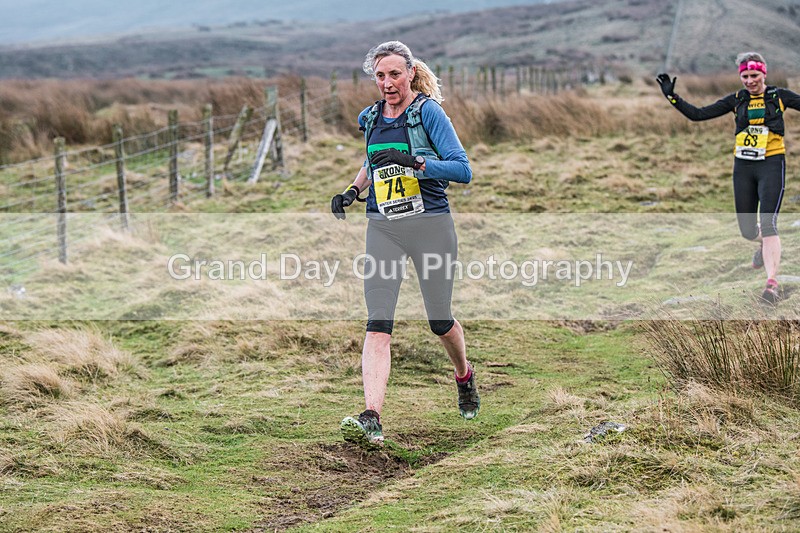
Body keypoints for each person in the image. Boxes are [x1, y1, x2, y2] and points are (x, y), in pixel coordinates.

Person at [330, 40, 479, 447]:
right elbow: (371, 161)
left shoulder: (427, 112)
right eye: (380, 75)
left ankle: (464, 375)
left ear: (410, 73)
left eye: (394, 74)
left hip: (430, 226)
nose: (387, 82)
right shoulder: (371, 118)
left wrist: (415, 162)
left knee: (439, 320)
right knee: (378, 324)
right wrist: (350, 191)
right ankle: (371, 417)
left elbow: (462, 170)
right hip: (384, 227)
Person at [657, 52, 800, 304]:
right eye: (744, 76)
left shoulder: (779, 97)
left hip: (771, 164)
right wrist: (672, 96)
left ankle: (772, 284)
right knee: (747, 230)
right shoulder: (736, 100)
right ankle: (763, 246)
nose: (749, 80)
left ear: (764, 73)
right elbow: (698, 115)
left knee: (769, 224)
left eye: (754, 75)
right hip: (743, 167)